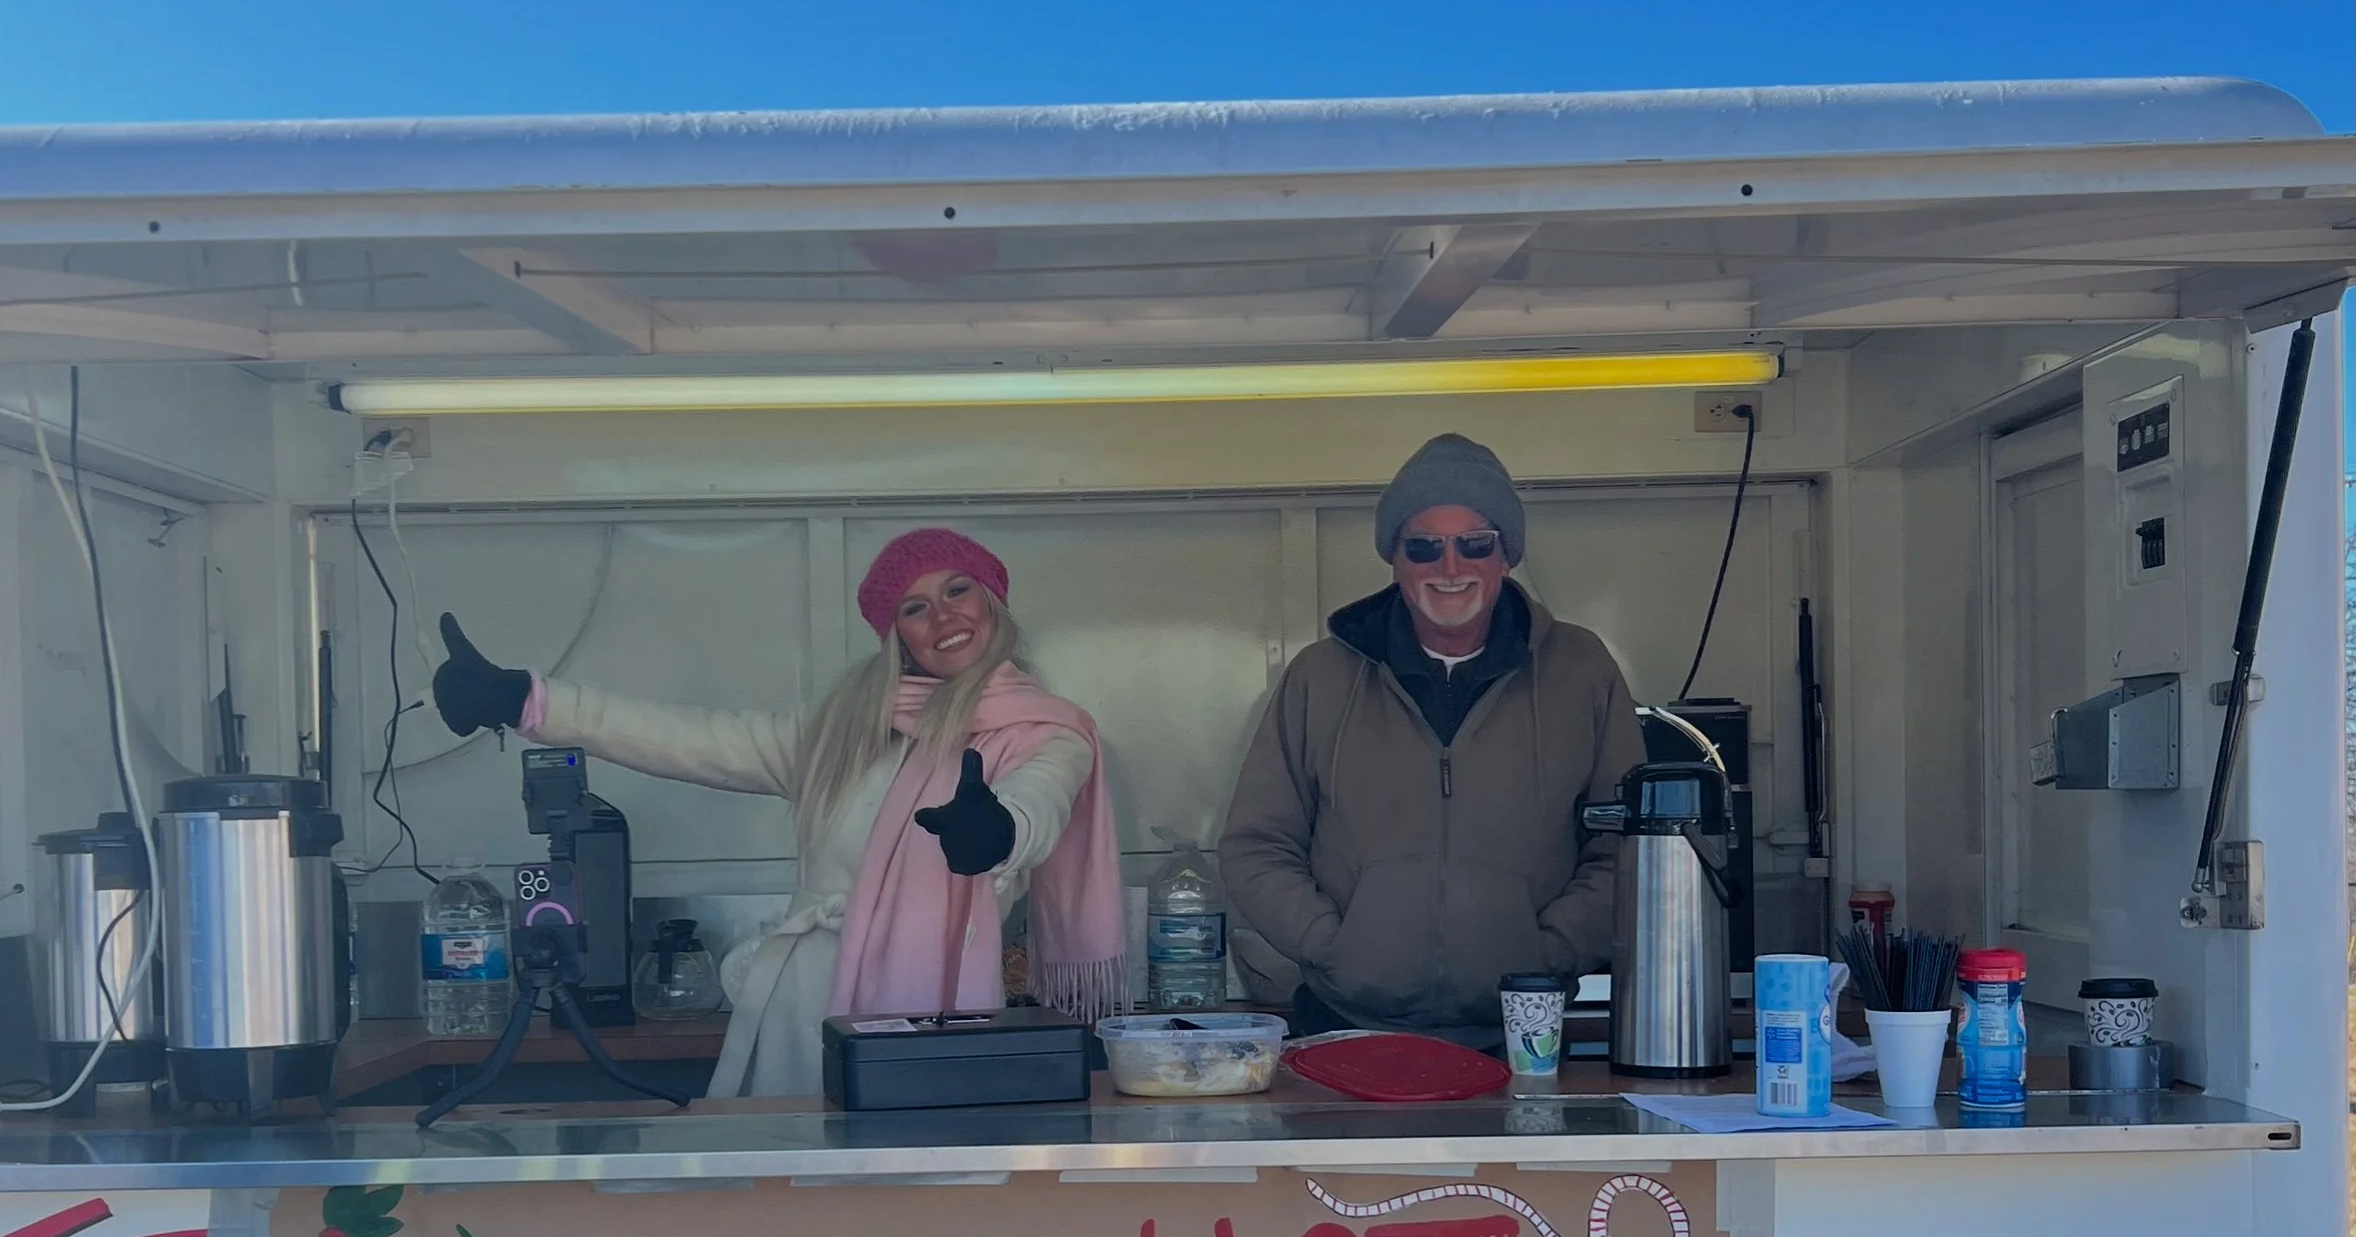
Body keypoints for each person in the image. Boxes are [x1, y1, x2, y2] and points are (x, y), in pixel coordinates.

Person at [429, 527, 1127, 1098]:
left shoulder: (1047, 731)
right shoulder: (846, 727)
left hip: (939, 1013)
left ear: (992, 600)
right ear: (896, 635)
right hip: (803, 1008)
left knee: (923, 1213)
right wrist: (528, 700)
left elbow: (1040, 801)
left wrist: (997, 831)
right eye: (914, 608)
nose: (943, 618)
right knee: (793, 1218)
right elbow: (687, 738)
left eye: (956, 591)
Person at [1218, 432, 1646, 1045]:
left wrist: (1549, 955)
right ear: (1394, 559)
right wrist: (1333, 947)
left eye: (1475, 544)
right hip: (1345, 1028)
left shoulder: (1581, 670)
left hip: (1527, 1031)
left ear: (1507, 555)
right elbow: (1255, 844)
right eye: (1424, 547)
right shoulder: (1321, 676)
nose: (1451, 568)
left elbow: (1627, 845)